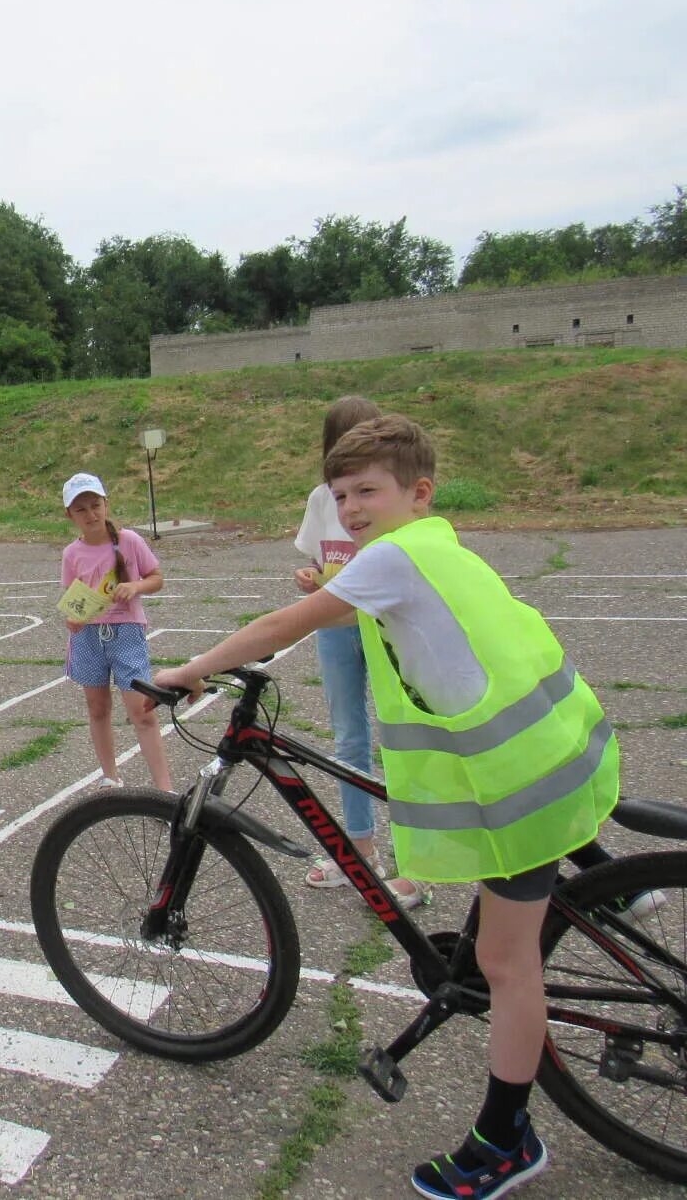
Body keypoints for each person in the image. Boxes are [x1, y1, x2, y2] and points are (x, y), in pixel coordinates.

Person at [155, 415, 617, 1199]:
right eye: (340, 496)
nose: (352, 508)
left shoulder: (396, 555)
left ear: (418, 491)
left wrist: (190, 671)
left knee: (509, 965)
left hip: (519, 787)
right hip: (556, 758)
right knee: (501, 948)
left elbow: (283, 623)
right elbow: (337, 610)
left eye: (368, 490)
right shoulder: (430, 544)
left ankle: (507, 1141)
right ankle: (607, 882)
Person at [290, 395, 431, 908]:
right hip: (336, 626)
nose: (351, 504)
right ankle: (360, 849)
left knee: (405, 740)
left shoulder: (394, 505)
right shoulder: (321, 499)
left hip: (386, 627)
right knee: (350, 737)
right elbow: (317, 560)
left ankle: (416, 866)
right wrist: (312, 579)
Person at [59, 472, 173, 791]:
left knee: (142, 711)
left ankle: (164, 789)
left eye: (96, 505)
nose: (91, 514)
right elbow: (72, 601)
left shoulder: (130, 541)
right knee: (97, 707)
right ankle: (110, 776)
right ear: (70, 515)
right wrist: (74, 620)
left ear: (106, 505)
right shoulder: (71, 553)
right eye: (81, 510)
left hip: (126, 632)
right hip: (88, 638)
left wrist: (135, 585)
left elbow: (157, 577)